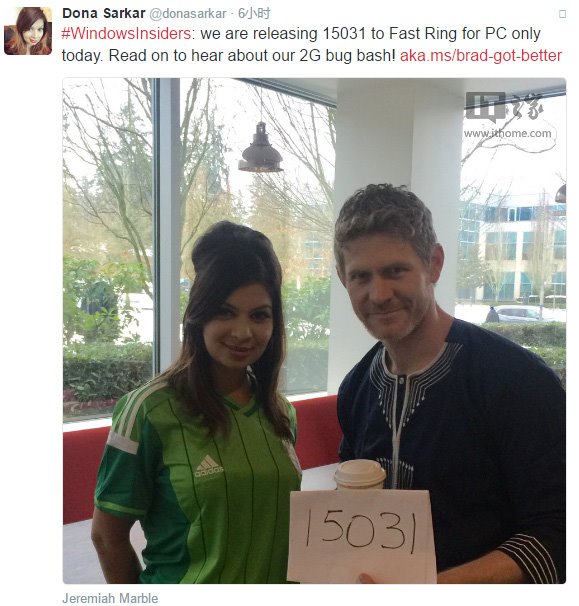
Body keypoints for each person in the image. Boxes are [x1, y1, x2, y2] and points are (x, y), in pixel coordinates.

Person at [334, 183, 565, 583]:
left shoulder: (518, 381)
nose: (379, 294)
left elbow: (558, 535)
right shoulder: (356, 389)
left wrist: (430, 590)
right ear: (343, 278)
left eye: (395, 271)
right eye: (361, 276)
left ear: (434, 264)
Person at [92, 221, 301, 583]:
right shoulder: (147, 410)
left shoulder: (281, 413)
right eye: (225, 311)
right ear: (198, 315)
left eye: (259, 315)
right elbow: (107, 536)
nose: (243, 332)